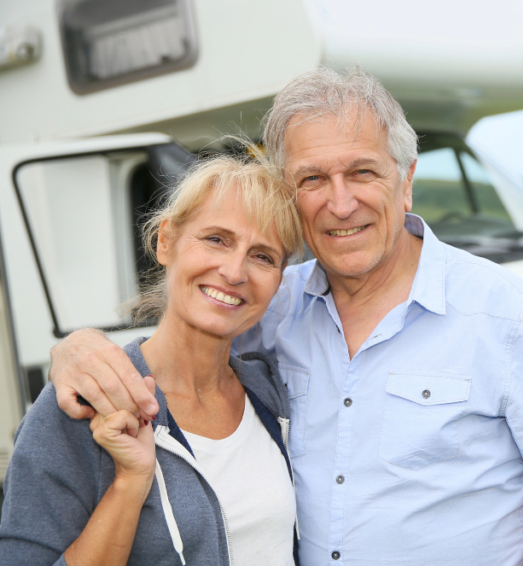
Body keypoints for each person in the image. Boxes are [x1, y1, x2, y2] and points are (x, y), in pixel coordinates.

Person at [47, 66, 523, 566]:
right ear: (288, 197)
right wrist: (80, 349)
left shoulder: (503, 314)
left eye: (363, 172)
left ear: (406, 181)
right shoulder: (275, 303)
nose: (340, 203)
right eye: (313, 179)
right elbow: (186, 335)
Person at [0, 153, 304, 565]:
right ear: (166, 242)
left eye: (263, 256)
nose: (234, 271)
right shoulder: (82, 405)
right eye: (216, 239)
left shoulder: (270, 393)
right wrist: (129, 483)